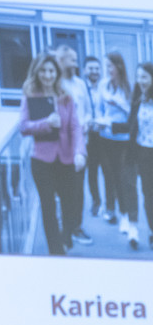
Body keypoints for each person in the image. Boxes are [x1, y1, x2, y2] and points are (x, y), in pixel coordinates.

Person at [18, 53, 86, 256]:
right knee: (48, 207)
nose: (47, 75)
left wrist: (79, 152)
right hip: (41, 160)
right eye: (43, 71)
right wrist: (45, 123)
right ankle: (56, 252)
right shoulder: (30, 96)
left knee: (70, 204)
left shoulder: (66, 97)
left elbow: (75, 127)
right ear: (37, 72)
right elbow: (23, 127)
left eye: (51, 71)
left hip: (66, 158)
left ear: (57, 73)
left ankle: (66, 237)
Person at [97, 52, 138, 249]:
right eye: (105, 66)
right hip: (105, 136)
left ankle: (125, 215)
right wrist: (101, 120)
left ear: (119, 67)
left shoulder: (129, 87)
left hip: (122, 139)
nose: (107, 70)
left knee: (123, 179)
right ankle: (114, 210)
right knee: (110, 176)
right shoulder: (103, 85)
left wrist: (117, 103)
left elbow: (132, 115)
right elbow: (99, 108)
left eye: (110, 66)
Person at [55, 46, 93, 247]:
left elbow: (87, 110)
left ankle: (76, 227)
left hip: (80, 145)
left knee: (78, 189)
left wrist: (86, 122)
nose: (76, 63)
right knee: (64, 190)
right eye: (72, 59)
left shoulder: (80, 84)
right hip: (60, 146)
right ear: (61, 61)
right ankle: (65, 229)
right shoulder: (56, 85)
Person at [129, 62, 153, 249]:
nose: (140, 81)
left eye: (144, 77)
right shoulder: (138, 100)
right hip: (144, 153)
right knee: (148, 195)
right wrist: (110, 126)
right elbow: (131, 125)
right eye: (138, 77)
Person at [82, 56, 109, 217]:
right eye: (91, 68)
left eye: (97, 68)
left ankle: (110, 204)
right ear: (85, 70)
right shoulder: (81, 88)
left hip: (105, 135)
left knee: (108, 170)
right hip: (89, 135)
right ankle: (96, 202)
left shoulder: (105, 87)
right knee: (92, 172)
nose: (94, 71)